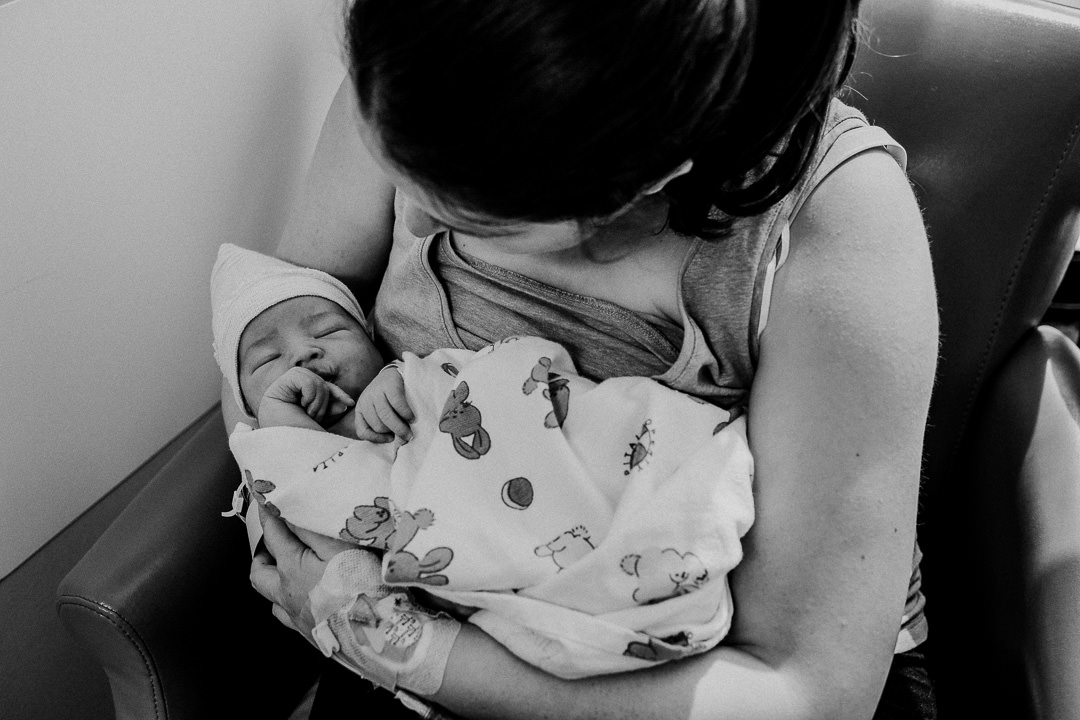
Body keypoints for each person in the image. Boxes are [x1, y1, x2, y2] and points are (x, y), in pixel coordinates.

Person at [233, 1, 940, 718]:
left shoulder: (838, 227)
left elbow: (809, 692)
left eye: (465, 217)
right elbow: (291, 322)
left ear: (646, 179)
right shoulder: (417, 69)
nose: (408, 223)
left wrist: (398, 641)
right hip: (415, 592)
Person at [211, 242, 755, 684]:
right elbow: (308, 484)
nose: (303, 355)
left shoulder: (402, 382)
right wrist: (282, 419)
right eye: (267, 360)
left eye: (329, 330)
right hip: (433, 581)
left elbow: (466, 385)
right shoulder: (277, 438)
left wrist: (404, 381)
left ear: (371, 335)